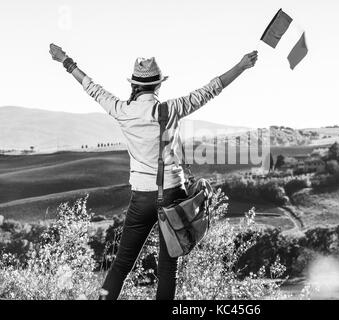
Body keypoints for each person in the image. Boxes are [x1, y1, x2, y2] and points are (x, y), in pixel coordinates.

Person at [49, 44, 258, 300]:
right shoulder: (171, 109)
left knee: (122, 265)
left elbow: (92, 88)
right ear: (158, 85)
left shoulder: (122, 110)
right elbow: (210, 89)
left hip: (142, 198)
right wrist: (241, 66)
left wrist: (66, 61)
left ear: (134, 85)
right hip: (174, 193)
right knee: (169, 269)